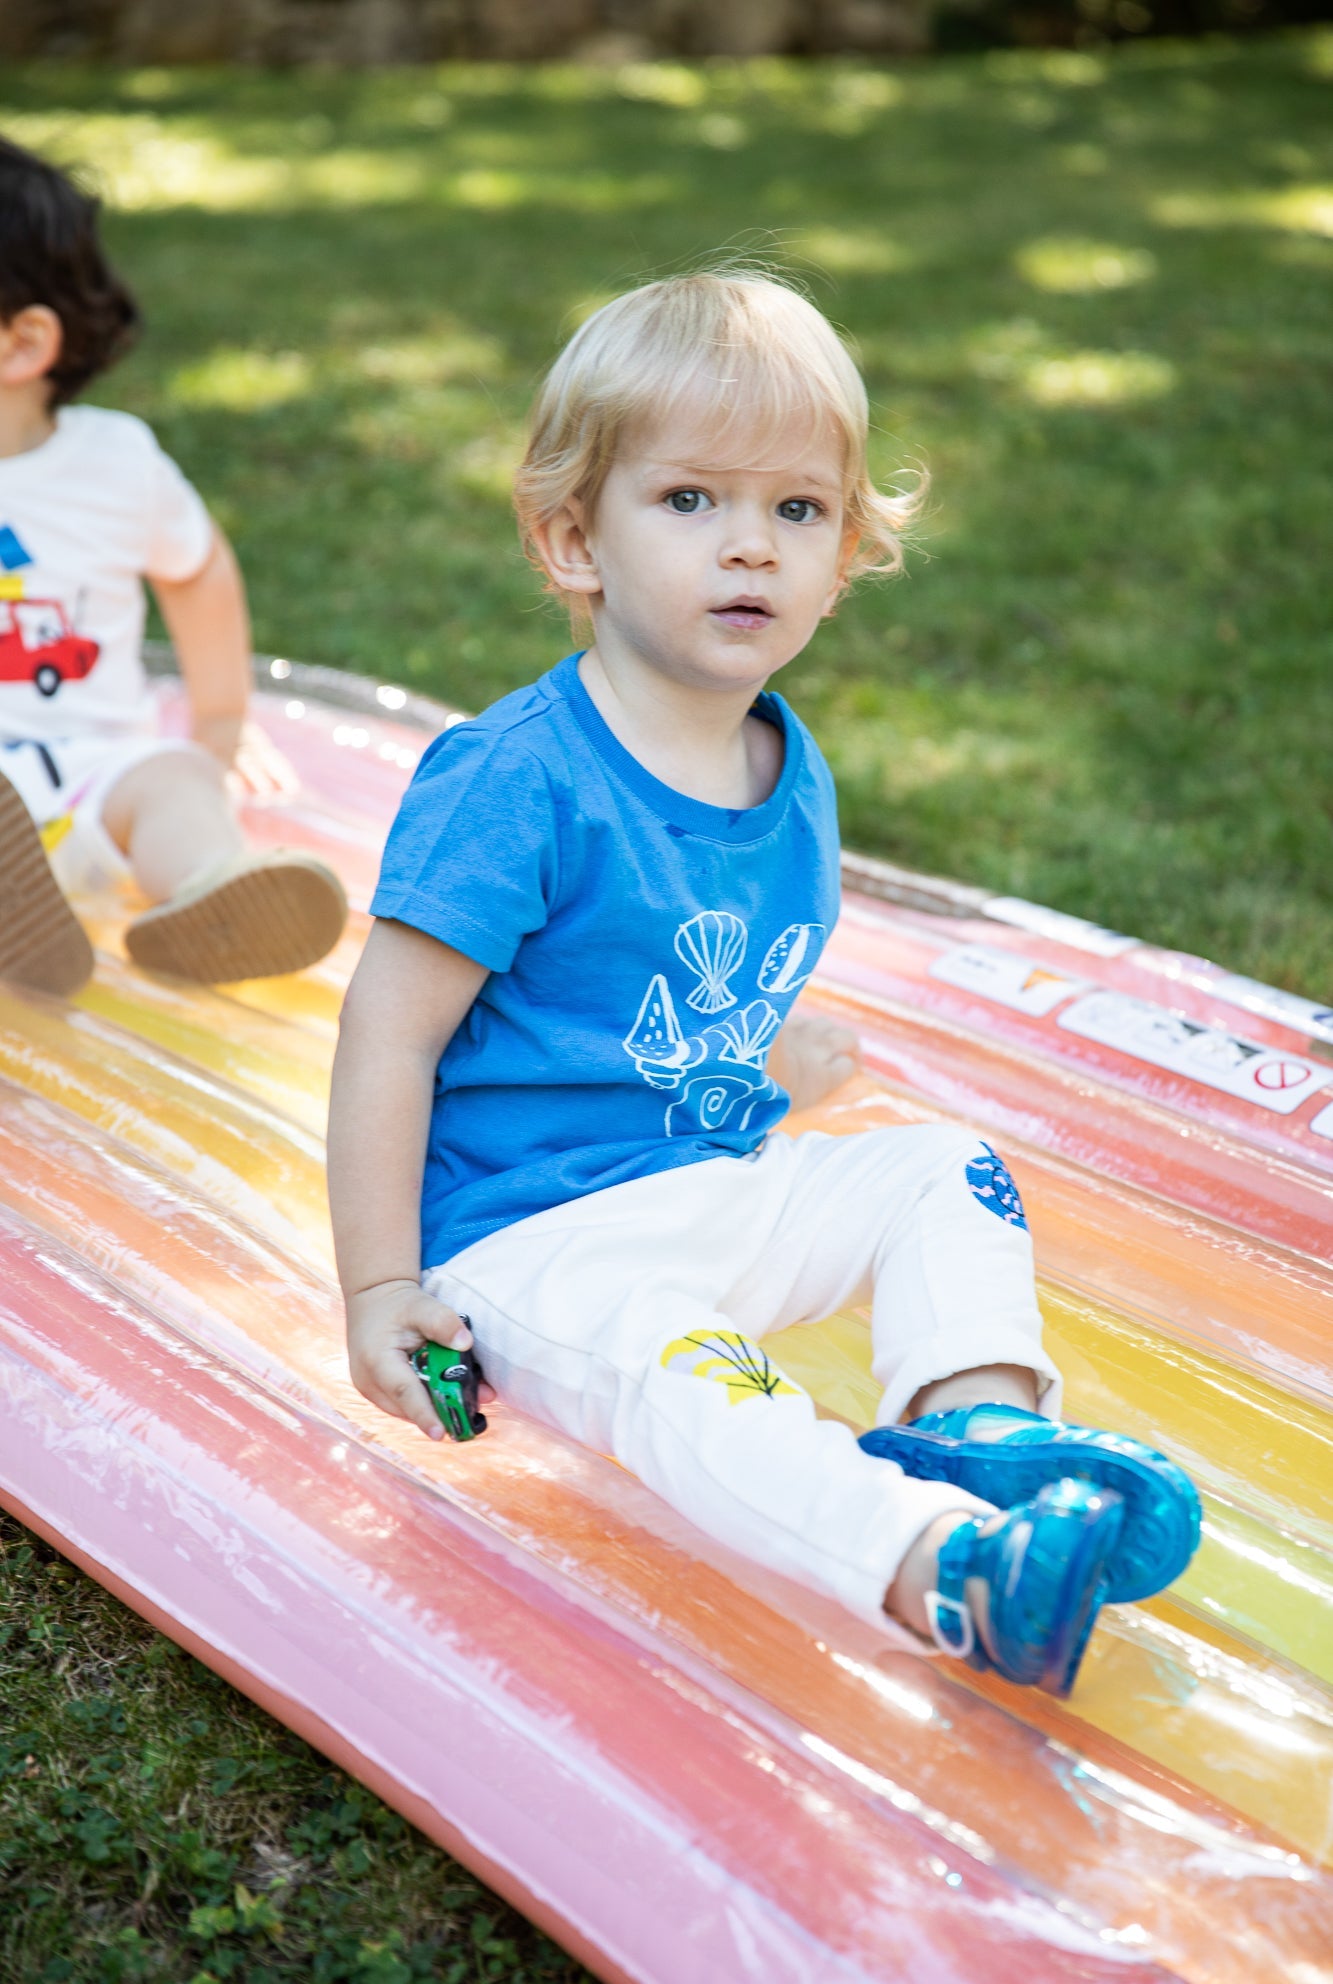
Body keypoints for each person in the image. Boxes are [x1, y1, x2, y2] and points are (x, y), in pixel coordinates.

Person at [328, 271, 1199, 1693]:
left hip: (709, 1180)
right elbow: (387, 1033)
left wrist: (771, 1051)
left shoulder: (782, 769)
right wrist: (378, 1285)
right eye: (689, 502)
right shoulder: (516, 778)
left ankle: (974, 1433)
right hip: (534, 1242)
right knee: (696, 1382)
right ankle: (944, 1569)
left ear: (845, 548)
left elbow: (647, 976)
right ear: (573, 539)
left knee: (942, 1167)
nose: (750, 546)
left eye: (795, 511)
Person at [0, 136, 347, 995]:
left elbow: (196, 570)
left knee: (174, 781)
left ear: (20, 345)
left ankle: (213, 897)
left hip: (95, 771)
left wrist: (220, 722)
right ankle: (24, 938)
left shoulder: (117, 464)